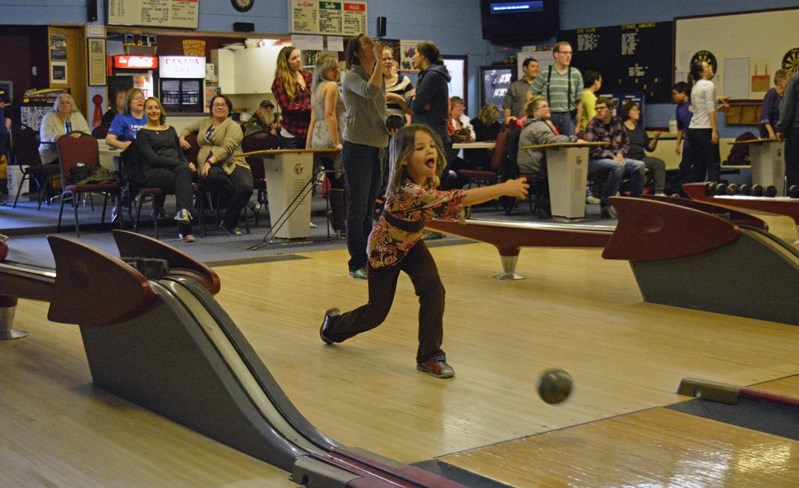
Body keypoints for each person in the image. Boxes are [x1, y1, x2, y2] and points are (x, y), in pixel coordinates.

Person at [318, 124, 529, 379]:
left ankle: (430, 355)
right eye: (420, 148)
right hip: (385, 249)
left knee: (433, 290)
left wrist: (451, 212)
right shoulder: (407, 191)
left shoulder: (426, 180)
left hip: (411, 242)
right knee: (376, 313)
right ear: (405, 160)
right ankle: (333, 327)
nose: (430, 151)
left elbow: (436, 204)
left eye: (431, 146)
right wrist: (503, 188)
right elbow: (457, 198)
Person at [341, 34, 391, 279]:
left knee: (370, 207)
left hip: (377, 146)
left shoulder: (376, 73)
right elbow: (370, 92)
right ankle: (355, 262)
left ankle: (368, 257)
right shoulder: (351, 76)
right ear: (357, 53)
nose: (373, 46)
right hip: (357, 146)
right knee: (357, 208)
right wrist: (381, 62)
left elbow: (377, 108)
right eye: (367, 44)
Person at [179, 94, 253, 236]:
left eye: (223, 105)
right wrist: (182, 138)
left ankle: (228, 221)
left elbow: (227, 148)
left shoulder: (234, 126)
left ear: (229, 109)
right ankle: (242, 204)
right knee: (213, 177)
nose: (220, 107)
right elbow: (187, 129)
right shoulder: (204, 123)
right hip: (209, 166)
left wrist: (209, 162)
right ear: (211, 108)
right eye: (216, 104)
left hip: (233, 162)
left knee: (246, 187)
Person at [132, 97, 197, 241]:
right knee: (184, 179)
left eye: (156, 107)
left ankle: (183, 217)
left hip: (176, 170)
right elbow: (153, 159)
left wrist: (186, 164)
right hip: (154, 172)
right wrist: (180, 165)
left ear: (161, 110)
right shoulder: (142, 133)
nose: (153, 111)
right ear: (144, 111)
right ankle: (185, 227)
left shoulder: (171, 130)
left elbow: (180, 154)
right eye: (149, 108)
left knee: (183, 174)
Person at [582, 97, 646, 218]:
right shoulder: (592, 124)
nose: (598, 111)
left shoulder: (618, 122)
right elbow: (591, 149)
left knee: (639, 166)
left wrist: (620, 154)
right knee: (617, 166)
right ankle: (606, 204)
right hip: (595, 161)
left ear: (610, 109)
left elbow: (626, 143)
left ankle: (634, 203)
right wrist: (612, 156)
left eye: (602, 108)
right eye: (597, 108)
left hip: (617, 158)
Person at [306, 54, 346, 239]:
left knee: (329, 179)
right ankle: (340, 224)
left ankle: (338, 221)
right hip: (330, 136)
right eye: (333, 69)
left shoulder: (315, 89)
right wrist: (337, 141)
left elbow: (313, 120)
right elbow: (330, 114)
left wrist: (308, 146)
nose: (337, 72)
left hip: (317, 138)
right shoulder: (331, 87)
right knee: (337, 180)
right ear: (324, 71)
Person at [529, 42, 583, 136]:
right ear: (556, 54)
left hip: (569, 116)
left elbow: (579, 102)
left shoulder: (575, 74)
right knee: (549, 147)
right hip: (549, 116)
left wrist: (578, 125)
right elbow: (529, 94)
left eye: (570, 53)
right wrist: (537, 113)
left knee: (569, 148)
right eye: (565, 52)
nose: (568, 56)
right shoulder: (545, 72)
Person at [686, 61, 728, 183]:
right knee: (713, 164)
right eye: (707, 67)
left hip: (693, 129)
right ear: (701, 72)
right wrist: (714, 130)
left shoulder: (695, 86)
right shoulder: (708, 85)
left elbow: (700, 107)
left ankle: (694, 195)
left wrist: (718, 105)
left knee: (699, 165)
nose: (711, 68)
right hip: (705, 129)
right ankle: (713, 195)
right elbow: (709, 108)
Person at [517, 96, 579, 176]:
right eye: (544, 106)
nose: (548, 109)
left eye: (548, 106)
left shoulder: (532, 125)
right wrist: (573, 139)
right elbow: (551, 140)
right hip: (536, 170)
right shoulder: (538, 125)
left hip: (530, 168)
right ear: (535, 111)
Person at [621, 101, 667, 195]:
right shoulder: (620, 128)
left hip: (642, 158)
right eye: (634, 110)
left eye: (638, 110)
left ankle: (659, 192)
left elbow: (650, 148)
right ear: (627, 112)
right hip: (627, 159)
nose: (638, 112)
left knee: (659, 163)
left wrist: (656, 138)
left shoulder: (640, 130)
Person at [271, 46, 312, 149]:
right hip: (292, 133)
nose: (298, 60)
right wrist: (309, 108)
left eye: (298, 57)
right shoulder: (280, 81)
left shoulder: (307, 76)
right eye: (293, 58)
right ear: (286, 62)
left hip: (310, 131)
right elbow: (286, 106)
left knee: (311, 164)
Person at [38, 93, 91, 166]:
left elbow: (87, 133)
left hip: (74, 152)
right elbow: (45, 135)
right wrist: (60, 138)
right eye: (62, 103)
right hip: (51, 155)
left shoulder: (78, 116)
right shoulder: (49, 117)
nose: (65, 105)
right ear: (57, 105)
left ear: (71, 106)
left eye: (67, 103)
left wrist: (79, 135)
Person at [776, 71, 799, 189]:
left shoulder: (795, 77)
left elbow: (788, 104)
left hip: (796, 130)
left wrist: (781, 127)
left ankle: (794, 203)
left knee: (794, 170)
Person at [463, 103, 502, 169]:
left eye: (495, 119)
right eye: (491, 119)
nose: (493, 122)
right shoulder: (473, 124)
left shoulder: (496, 125)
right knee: (485, 157)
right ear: (485, 116)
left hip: (491, 153)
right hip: (476, 153)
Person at [672, 81, 695, 189]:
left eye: (675, 94)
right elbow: (680, 129)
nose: (674, 97)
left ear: (684, 93)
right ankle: (679, 191)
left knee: (697, 168)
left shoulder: (693, 105)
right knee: (684, 168)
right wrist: (677, 144)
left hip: (698, 142)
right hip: (688, 144)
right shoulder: (678, 109)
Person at [504, 57, 539, 125]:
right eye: (533, 66)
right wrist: (507, 124)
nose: (536, 69)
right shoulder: (515, 86)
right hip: (518, 125)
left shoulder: (541, 86)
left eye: (537, 66)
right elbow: (507, 107)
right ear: (525, 68)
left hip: (537, 125)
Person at [382, 47, 414, 120]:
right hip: (378, 127)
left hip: (399, 127)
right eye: (384, 59)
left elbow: (412, 111)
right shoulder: (373, 83)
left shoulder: (404, 81)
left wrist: (398, 99)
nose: (387, 61)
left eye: (389, 58)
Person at [760, 68, 788, 139]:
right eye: (787, 80)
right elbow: (765, 115)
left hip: (782, 130)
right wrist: (771, 133)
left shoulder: (786, 95)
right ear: (780, 81)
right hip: (771, 131)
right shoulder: (771, 94)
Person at [578, 70, 602, 136]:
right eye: (600, 81)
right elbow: (592, 117)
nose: (600, 83)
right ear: (595, 81)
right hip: (588, 132)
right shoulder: (589, 95)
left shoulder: (583, 93)